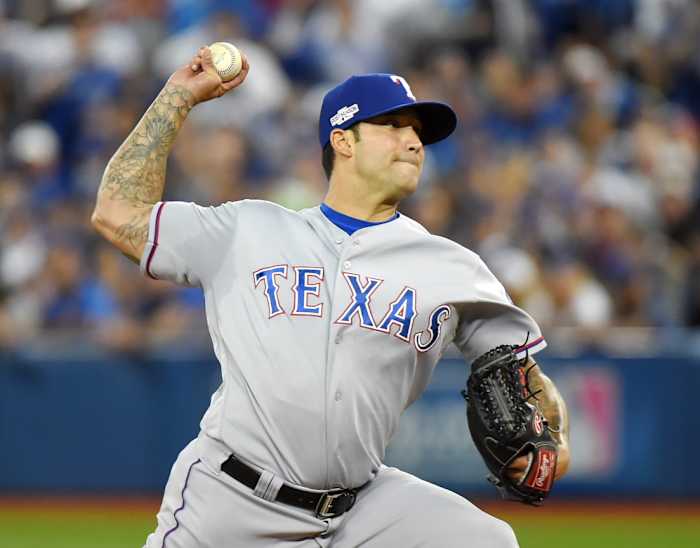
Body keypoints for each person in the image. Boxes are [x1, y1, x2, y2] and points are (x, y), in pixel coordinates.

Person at [92, 46, 570, 548]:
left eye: (419, 133)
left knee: (487, 541)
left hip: (362, 508)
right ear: (342, 140)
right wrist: (177, 98)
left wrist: (556, 441)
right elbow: (117, 211)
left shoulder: (451, 266)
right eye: (394, 126)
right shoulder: (246, 229)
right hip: (232, 499)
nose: (413, 142)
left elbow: (524, 374)